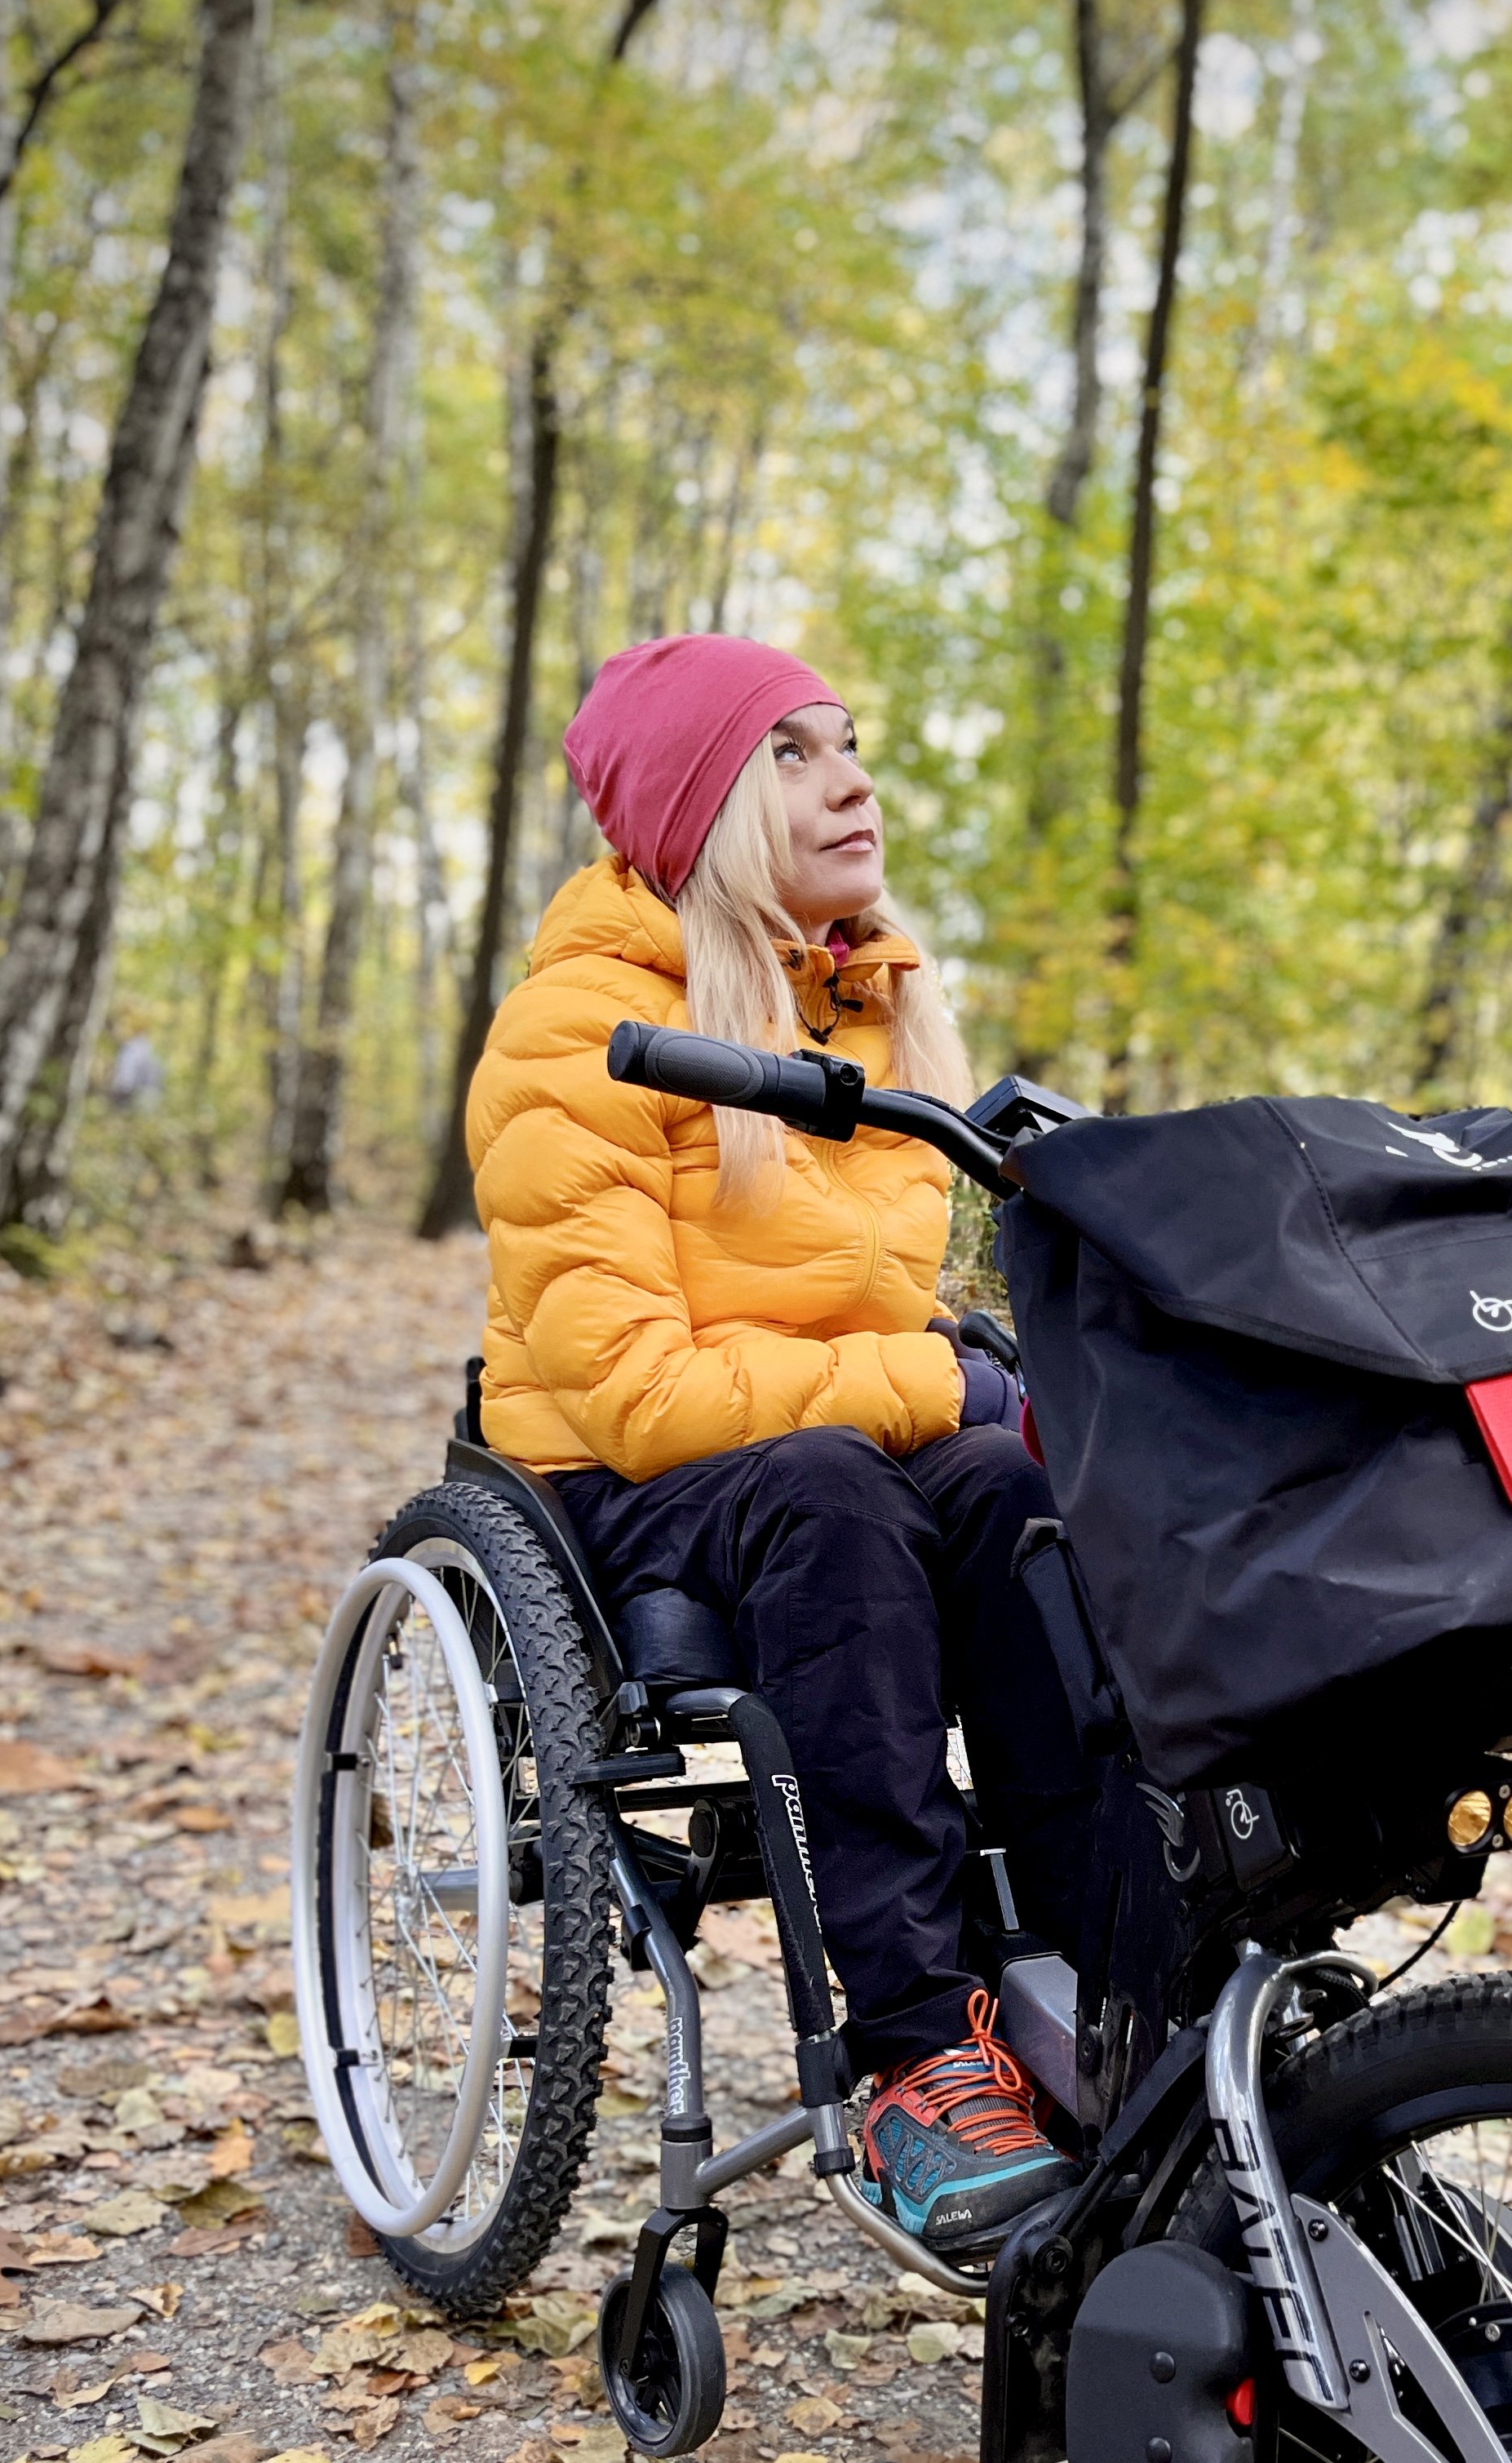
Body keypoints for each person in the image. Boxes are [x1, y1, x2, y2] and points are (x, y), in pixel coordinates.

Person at [467, 632, 1094, 2256]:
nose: (853, 781)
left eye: (851, 742)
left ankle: (1102, 1981)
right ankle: (910, 2059)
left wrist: (971, 1382)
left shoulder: (872, 1013)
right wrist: (924, 1383)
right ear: (705, 814)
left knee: (1018, 1487)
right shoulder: (578, 1030)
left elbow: (888, 1330)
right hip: (625, 1486)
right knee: (844, 1490)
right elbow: (639, 1394)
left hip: (835, 1452)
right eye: (794, 755)